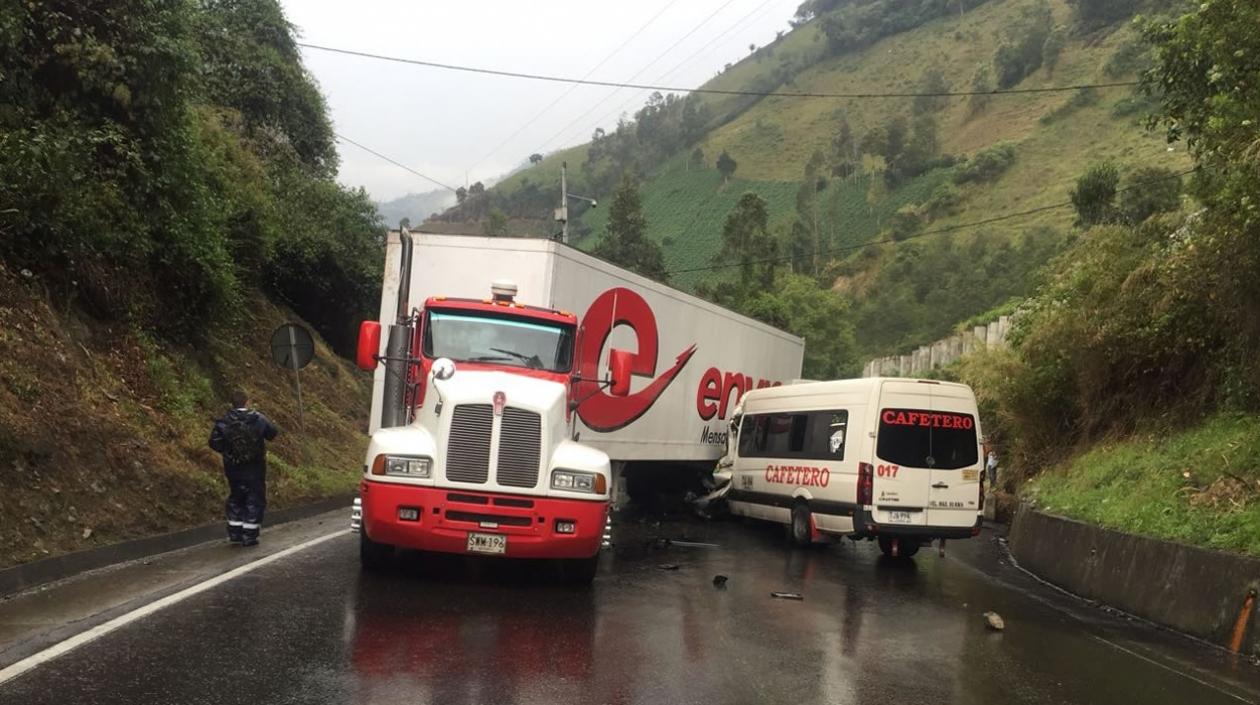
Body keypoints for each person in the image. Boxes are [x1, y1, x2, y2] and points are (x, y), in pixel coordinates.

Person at [209, 391, 279, 547]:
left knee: (236, 496)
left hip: (233, 467)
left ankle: (235, 533)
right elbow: (272, 433)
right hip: (255, 466)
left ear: (232, 403)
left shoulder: (224, 421)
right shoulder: (258, 418)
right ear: (247, 402)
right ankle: (250, 535)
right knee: (254, 498)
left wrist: (229, 452)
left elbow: (214, 442)